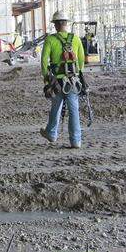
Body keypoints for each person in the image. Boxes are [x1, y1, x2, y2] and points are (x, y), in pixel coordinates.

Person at [39, 11, 87, 149]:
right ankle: (76, 141)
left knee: (56, 107)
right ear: (66, 24)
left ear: (55, 25)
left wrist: (47, 78)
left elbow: (43, 62)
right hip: (73, 81)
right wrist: (76, 73)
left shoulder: (50, 40)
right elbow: (82, 61)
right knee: (74, 110)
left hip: (57, 82)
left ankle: (51, 133)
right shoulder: (76, 39)